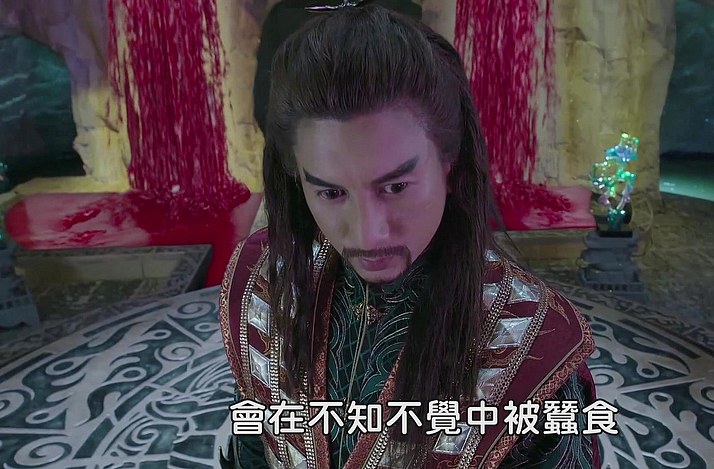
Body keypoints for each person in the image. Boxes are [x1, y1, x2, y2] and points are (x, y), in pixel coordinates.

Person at [219, 4, 599, 468]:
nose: (368, 232)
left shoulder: (533, 342)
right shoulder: (263, 284)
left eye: (396, 187)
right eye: (331, 193)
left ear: (449, 164)